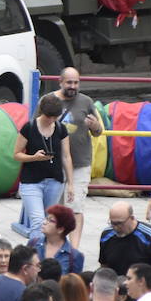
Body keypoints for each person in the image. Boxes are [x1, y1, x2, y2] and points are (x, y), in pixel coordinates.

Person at [48, 69, 102, 247]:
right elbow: (35, 126)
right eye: (69, 82)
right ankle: (54, 245)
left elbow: (98, 132)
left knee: (75, 207)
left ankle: (74, 249)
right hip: (53, 164)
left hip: (80, 163)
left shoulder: (86, 101)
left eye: (76, 83)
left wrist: (94, 126)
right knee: (55, 209)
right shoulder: (48, 101)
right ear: (60, 82)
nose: (73, 86)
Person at [12, 93, 72, 237]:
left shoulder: (61, 129)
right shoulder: (29, 127)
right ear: (42, 112)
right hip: (31, 181)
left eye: (55, 117)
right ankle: (35, 256)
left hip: (55, 181)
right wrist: (34, 157)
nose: (51, 120)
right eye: (48, 116)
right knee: (38, 222)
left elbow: (66, 156)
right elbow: (16, 154)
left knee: (48, 222)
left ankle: (46, 253)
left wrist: (70, 184)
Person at [98, 202, 151, 278]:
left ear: (131, 218)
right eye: (112, 223)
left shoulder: (149, 236)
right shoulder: (106, 235)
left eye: (120, 223)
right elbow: (104, 266)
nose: (116, 227)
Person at [30, 204, 83, 275]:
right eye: (46, 218)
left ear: (60, 229)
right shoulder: (33, 243)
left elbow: (74, 283)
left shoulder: (74, 256)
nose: (44, 222)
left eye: (51, 220)